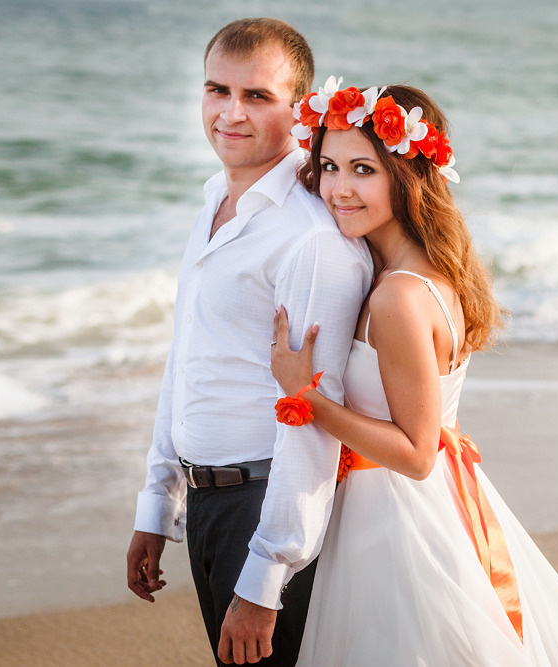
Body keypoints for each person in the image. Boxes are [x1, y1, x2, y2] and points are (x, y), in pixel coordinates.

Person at [268, 79, 558, 665]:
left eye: (363, 169)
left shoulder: (397, 298)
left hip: (398, 522)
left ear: (405, 175)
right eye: (329, 167)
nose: (338, 189)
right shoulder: (432, 272)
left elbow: (415, 454)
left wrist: (303, 395)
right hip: (432, 507)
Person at [124, 20, 372, 666]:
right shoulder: (214, 204)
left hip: (265, 512)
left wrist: (267, 577)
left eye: (257, 96)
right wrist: (158, 501)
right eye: (217, 90)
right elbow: (188, 358)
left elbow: (312, 414)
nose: (230, 113)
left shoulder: (310, 236)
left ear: (301, 108)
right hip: (207, 503)